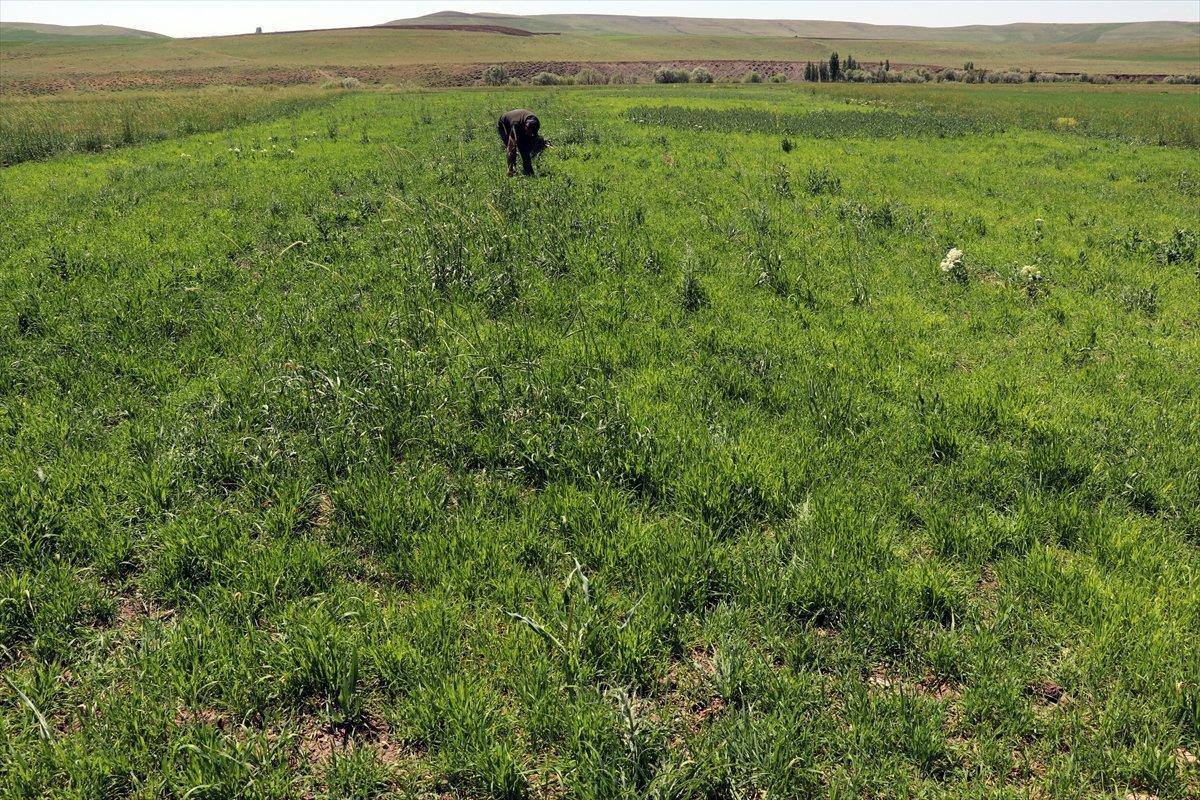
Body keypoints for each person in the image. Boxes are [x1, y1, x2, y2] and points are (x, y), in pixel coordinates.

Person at [497, 108, 547, 177]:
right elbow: (510, 145)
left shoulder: (536, 123)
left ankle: (528, 173)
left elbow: (533, 137)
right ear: (525, 125)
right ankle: (511, 170)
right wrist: (510, 165)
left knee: (525, 148)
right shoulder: (516, 125)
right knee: (517, 148)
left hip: (519, 120)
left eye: (529, 132)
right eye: (526, 130)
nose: (526, 132)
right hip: (504, 124)